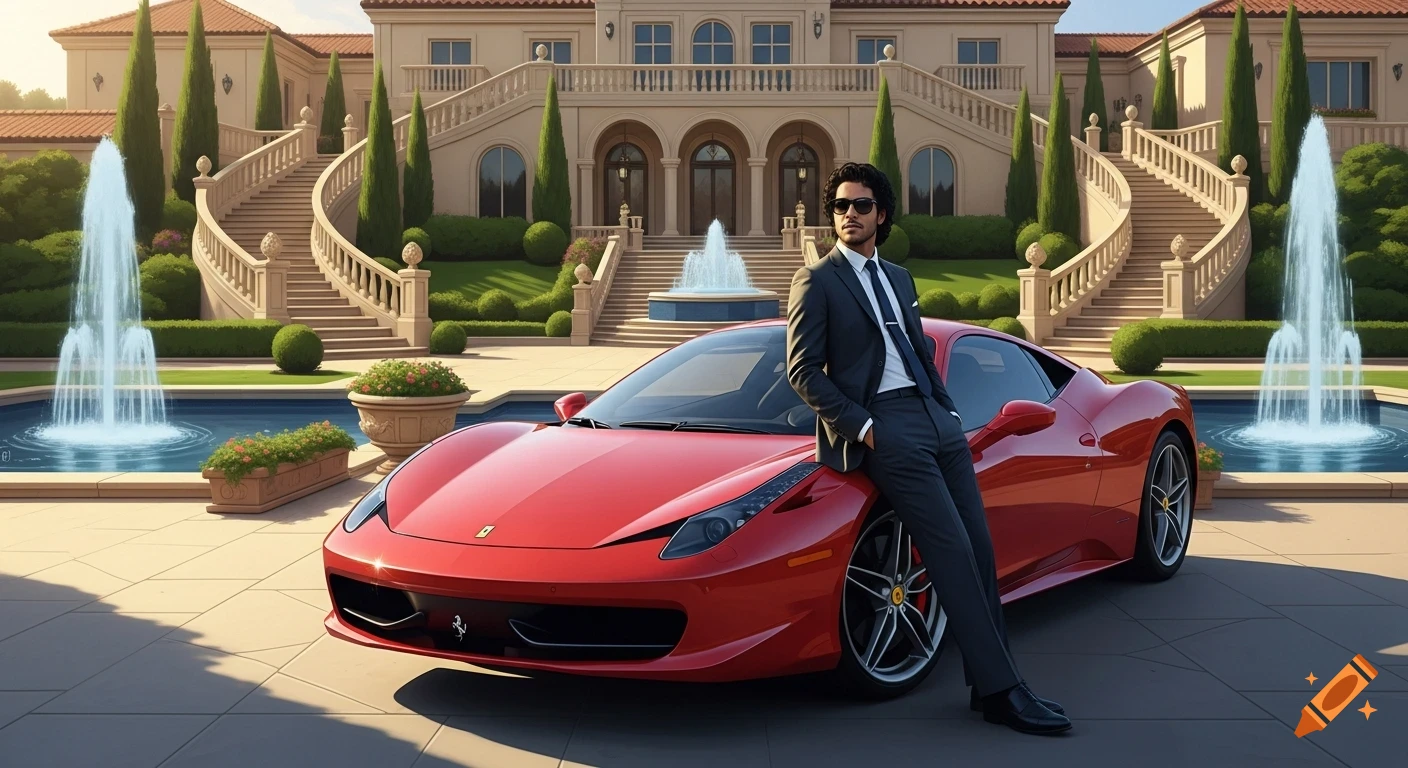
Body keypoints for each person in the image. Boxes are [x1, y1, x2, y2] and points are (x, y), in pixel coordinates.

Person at [784, 162, 1070, 735]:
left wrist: (948, 410)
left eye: (860, 205)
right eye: (840, 206)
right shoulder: (817, 280)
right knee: (951, 557)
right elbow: (803, 370)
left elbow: (916, 348)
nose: (848, 215)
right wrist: (864, 429)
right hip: (886, 430)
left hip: (938, 423)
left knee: (981, 552)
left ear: (881, 214)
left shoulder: (898, 277)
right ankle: (1004, 691)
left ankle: (988, 686)